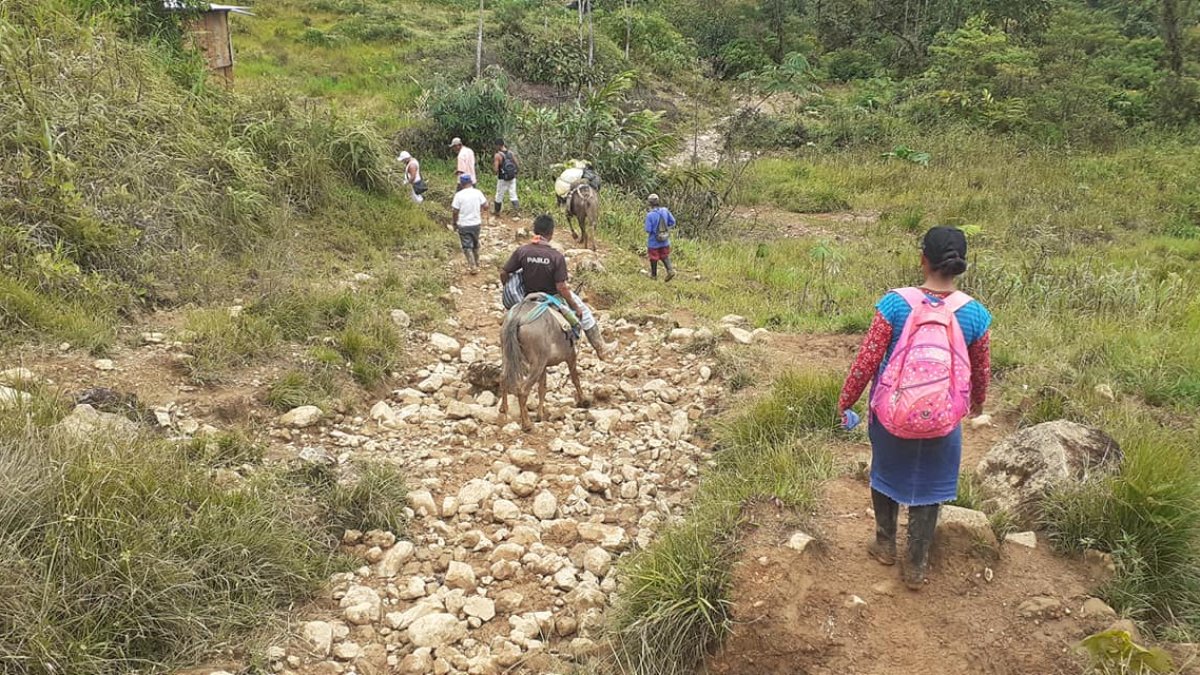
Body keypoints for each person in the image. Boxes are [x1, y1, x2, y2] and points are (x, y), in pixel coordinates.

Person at [837, 226, 992, 591]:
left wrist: (847, 400)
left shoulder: (894, 303)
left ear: (922, 258)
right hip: (943, 417)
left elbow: (866, 361)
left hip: (890, 412)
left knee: (886, 473)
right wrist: (977, 403)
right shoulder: (974, 314)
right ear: (960, 266)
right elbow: (982, 369)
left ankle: (885, 544)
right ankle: (917, 565)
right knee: (933, 487)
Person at [500, 214, 611, 359]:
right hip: (552, 297)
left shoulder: (523, 251)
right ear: (551, 233)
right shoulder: (555, 256)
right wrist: (575, 306)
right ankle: (600, 347)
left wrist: (509, 289)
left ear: (534, 230)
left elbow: (504, 272)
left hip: (527, 296)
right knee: (585, 312)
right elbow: (561, 287)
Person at [451, 174, 489, 274]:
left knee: (467, 245)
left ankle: (473, 266)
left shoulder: (459, 195)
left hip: (463, 224)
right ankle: (476, 262)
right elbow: (486, 205)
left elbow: (455, 211)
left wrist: (454, 223)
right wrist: (480, 210)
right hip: (476, 223)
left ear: (461, 184)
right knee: (475, 243)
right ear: (471, 182)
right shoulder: (478, 193)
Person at [644, 193, 676, 281]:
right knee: (665, 255)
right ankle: (670, 270)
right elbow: (673, 222)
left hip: (654, 242)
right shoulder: (665, 210)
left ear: (649, 203)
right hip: (665, 240)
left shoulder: (650, 215)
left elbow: (648, 229)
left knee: (653, 258)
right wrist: (665, 228)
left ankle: (654, 275)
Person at [493, 140, 520, 217]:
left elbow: (496, 169)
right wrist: (515, 173)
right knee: (513, 194)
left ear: (498, 145)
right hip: (512, 177)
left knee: (499, 194)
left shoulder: (497, 155)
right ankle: (517, 212)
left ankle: (497, 212)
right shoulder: (511, 153)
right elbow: (517, 165)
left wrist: (496, 172)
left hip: (502, 178)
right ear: (503, 144)